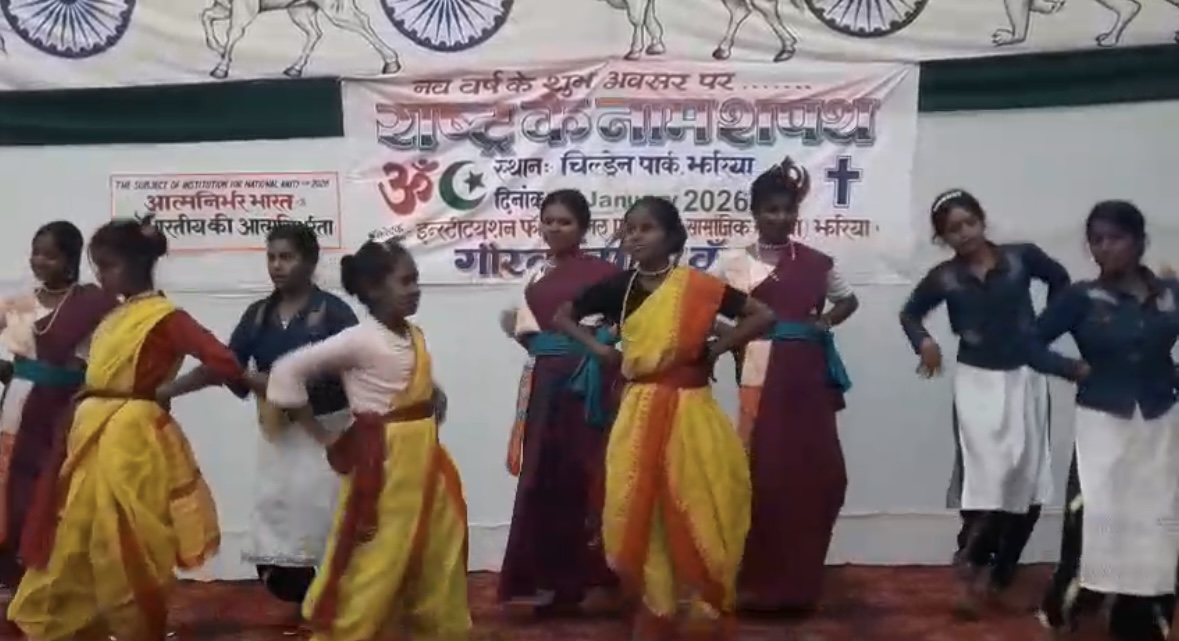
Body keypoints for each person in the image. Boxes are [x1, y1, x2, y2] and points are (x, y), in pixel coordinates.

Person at [7, 215, 261, 641]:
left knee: (125, 538)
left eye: (107, 266)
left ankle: (136, 627)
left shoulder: (165, 317)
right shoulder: (114, 316)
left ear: (135, 265)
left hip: (131, 438)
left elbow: (224, 362)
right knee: (74, 532)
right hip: (89, 431)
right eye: (99, 267)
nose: (101, 276)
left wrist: (168, 390)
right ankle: (69, 623)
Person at [553, 196, 774, 640]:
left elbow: (762, 315)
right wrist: (598, 349)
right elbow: (562, 316)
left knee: (702, 498)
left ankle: (702, 602)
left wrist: (716, 348)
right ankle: (657, 603)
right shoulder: (618, 287)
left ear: (672, 236)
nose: (636, 236)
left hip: (692, 411)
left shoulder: (698, 286)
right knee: (641, 503)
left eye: (647, 228)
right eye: (630, 228)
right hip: (638, 411)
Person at [264, 240, 470, 641]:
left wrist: (431, 395)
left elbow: (408, 382)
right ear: (374, 289)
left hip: (426, 463)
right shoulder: (359, 339)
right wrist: (323, 435)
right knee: (376, 558)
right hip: (384, 467)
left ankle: (435, 630)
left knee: (438, 550)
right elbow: (287, 370)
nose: (415, 289)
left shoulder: (412, 334)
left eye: (416, 280)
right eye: (405, 281)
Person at [168, 223, 359, 613]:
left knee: (327, 518)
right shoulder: (258, 315)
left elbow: (360, 370)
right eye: (271, 257)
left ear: (310, 261)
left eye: (286, 257)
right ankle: (307, 600)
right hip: (279, 436)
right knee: (280, 521)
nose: (276, 265)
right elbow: (225, 366)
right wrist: (164, 391)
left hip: (327, 433)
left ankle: (344, 603)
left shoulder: (334, 313)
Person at [899, 189, 1069, 615]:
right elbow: (910, 313)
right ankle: (970, 562)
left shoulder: (1022, 257)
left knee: (1026, 475)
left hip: (1026, 377)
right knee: (986, 475)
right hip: (977, 381)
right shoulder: (944, 277)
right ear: (943, 238)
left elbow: (1061, 280)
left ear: (982, 220)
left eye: (969, 223)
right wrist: (924, 342)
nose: (964, 234)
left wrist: (1044, 330)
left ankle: (1003, 570)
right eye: (953, 230)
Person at [710, 158, 857, 615]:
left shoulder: (816, 263)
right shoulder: (732, 263)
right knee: (761, 472)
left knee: (815, 474)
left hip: (808, 376)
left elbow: (847, 300)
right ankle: (757, 582)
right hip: (758, 374)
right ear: (754, 213)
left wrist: (823, 324)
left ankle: (799, 583)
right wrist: (734, 338)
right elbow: (705, 309)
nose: (780, 217)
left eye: (787, 209)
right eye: (770, 209)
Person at [1031, 201, 1179, 641]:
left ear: (1140, 242)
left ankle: (1141, 616)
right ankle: (1068, 606)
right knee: (1093, 520)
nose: (1104, 248)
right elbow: (1027, 343)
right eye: (1096, 240)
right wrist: (1068, 367)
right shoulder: (1080, 298)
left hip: (1159, 420)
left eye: (1115, 238)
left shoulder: (1170, 293)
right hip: (1102, 421)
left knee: (1156, 519)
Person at [497, 189, 620, 615]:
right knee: (544, 476)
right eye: (548, 220)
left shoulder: (605, 273)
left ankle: (593, 579)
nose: (554, 228)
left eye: (564, 221)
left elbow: (622, 323)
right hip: (545, 384)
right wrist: (540, 346)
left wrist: (598, 344)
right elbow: (522, 329)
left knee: (585, 474)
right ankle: (549, 581)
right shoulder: (534, 275)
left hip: (588, 384)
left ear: (583, 227)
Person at [0, 222, 118, 606]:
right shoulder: (21, 304)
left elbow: (100, 358)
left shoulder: (91, 304)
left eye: (49, 255)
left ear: (70, 260)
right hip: (17, 408)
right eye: (36, 252)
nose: (39, 261)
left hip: (66, 409)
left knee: (58, 489)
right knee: (12, 487)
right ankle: (13, 574)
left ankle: (58, 575)